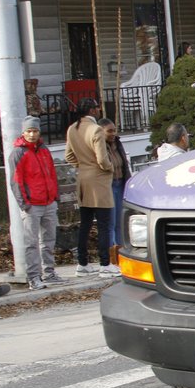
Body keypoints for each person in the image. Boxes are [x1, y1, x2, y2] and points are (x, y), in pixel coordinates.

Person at [64, 98, 120, 278]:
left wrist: (82, 166)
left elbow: (68, 156)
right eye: (96, 107)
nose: (98, 109)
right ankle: (105, 264)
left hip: (83, 179)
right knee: (104, 224)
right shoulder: (95, 129)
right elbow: (103, 159)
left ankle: (82, 263)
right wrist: (109, 168)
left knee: (85, 224)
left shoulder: (72, 128)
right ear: (92, 110)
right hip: (99, 180)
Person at [8, 115, 62, 290]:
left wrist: (55, 196)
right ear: (23, 132)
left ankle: (49, 272)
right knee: (31, 242)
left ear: (39, 132)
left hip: (48, 202)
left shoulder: (44, 150)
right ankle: (34, 277)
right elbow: (16, 181)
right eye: (29, 131)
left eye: (35, 131)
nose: (32, 134)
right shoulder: (19, 153)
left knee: (49, 239)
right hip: (33, 204)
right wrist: (24, 204)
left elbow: (52, 174)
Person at [98, 118, 132, 247]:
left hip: (120, 183)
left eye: (114, 130)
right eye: (109, 131)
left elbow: (124, 164)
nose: (113, 134)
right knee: (110, 222)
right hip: (108, 186)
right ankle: (112, 252)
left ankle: (121, 251)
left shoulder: (117, 143)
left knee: (120, 221)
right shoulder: (99, 146)